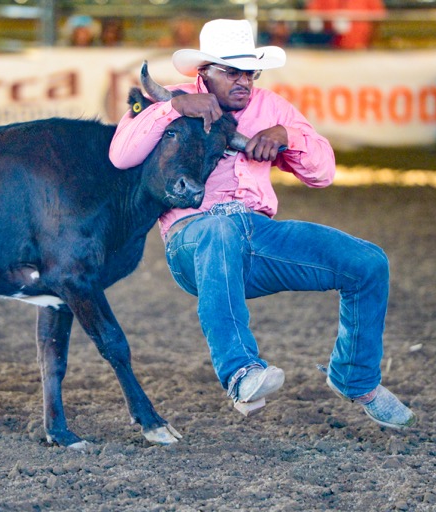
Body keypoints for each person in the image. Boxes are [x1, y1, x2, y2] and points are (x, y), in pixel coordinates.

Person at [109, 19, 416, 429]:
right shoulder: (174, 102)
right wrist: (172, 107)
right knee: (219, 229)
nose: (244, 82)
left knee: (368, 263)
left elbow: (323, 173)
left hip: (257, 234)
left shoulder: (273, 109)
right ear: (205, 73)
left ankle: (356, 378)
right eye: (232, 72)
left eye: (249, 73)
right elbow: (121, 156)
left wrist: (288, 135)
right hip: (193, 239)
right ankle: (240, 373)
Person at [306, 0, 386, 50]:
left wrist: (369, 44)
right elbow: (311, 16)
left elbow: (378, 20)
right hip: (330, 50)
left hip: (360, 48)